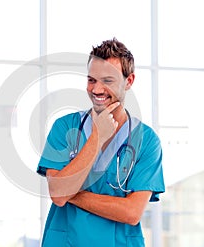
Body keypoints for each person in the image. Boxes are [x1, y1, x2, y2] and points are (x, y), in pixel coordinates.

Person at [37, 37, 165, 247]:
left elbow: (131, 212)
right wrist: (97, 137)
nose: (96, 89)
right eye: (91, 80)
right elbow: (59, 195)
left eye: (108, 81)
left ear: (129, 81)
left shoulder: (147, 141)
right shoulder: (65, 128)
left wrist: (71, 192)